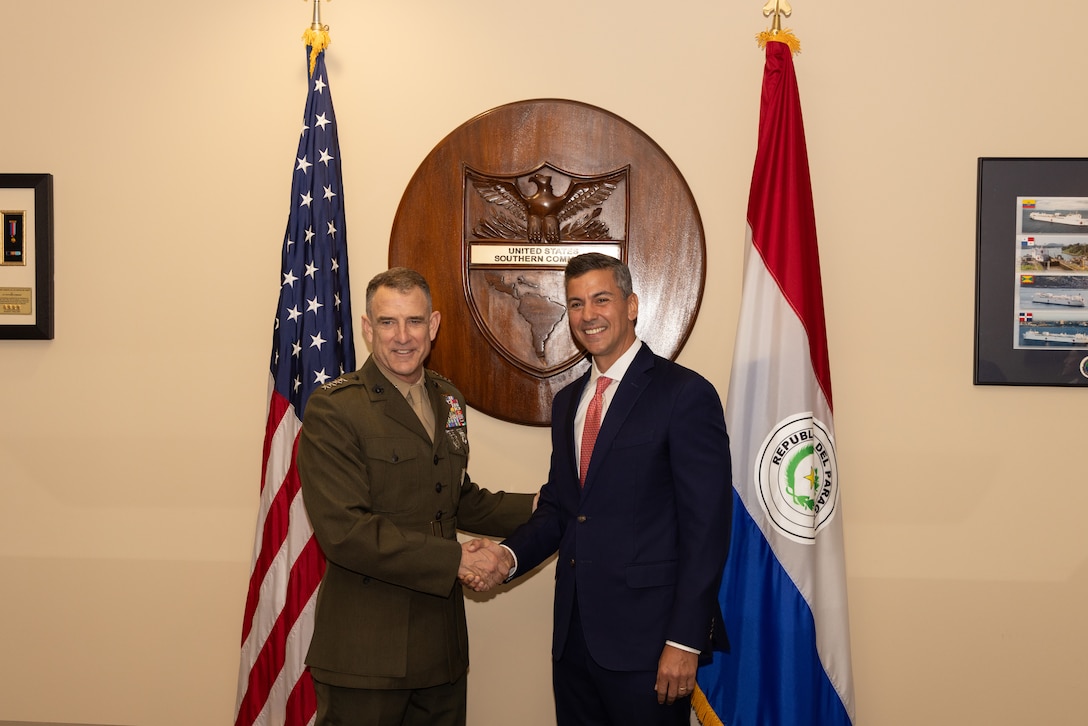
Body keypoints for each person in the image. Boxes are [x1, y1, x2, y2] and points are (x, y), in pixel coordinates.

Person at [474, 252, 733, 726]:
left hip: (651, 648)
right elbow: (561, 509)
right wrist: (505, 557)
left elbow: (707, 530)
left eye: (601, 299)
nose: (588, 315)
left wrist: (685, 640)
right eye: (575, 304)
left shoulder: (684, 394)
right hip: (574, 642)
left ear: (631, 305)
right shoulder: (570, 401)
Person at [297, 267, 536, 726]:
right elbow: (346, 532)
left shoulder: (448, 400)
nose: (402, 336)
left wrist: (543, 506)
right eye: (388, 322)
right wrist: (456, 560)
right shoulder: (335, 408)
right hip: (367, 654)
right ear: (368, 328)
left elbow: (455, 497)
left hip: (441, 652)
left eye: (415, 321)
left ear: (435, 325)